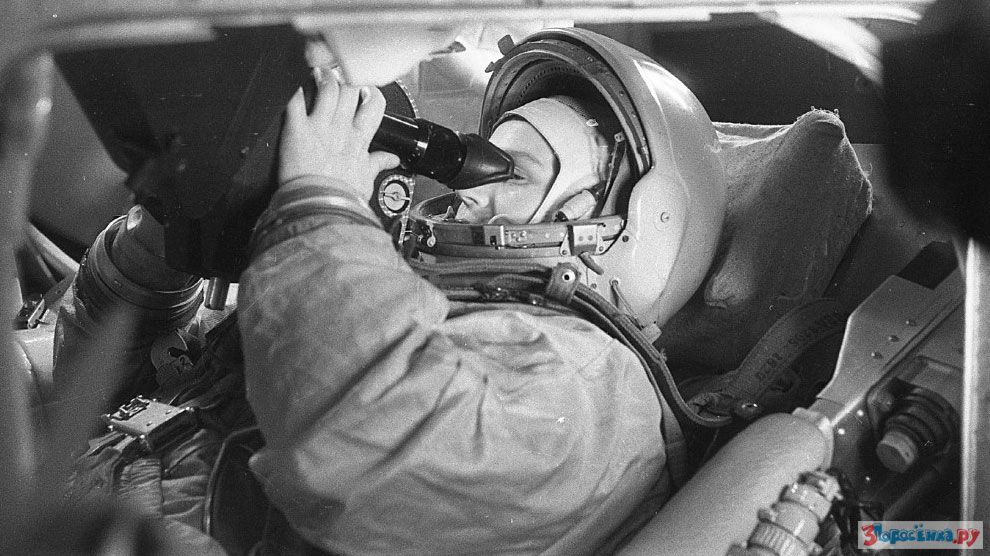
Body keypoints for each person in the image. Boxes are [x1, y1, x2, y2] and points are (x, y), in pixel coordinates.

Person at [60, 28, 727, 554]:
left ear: (616, 226)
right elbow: (109, 400)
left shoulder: (593, 384)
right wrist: (156, 251)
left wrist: (321, 203)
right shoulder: (374, 294)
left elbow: (365, 441)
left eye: (514, 173)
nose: (468, 194)